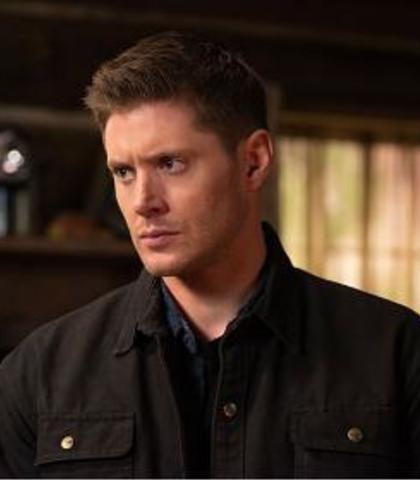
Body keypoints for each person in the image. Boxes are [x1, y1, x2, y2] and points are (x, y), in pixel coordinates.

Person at [1, 30, 420, 479]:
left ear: (253, 162)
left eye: (170, 164)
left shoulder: (398, 355)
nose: (142, 202)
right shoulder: (37, 373)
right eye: (123, 172)